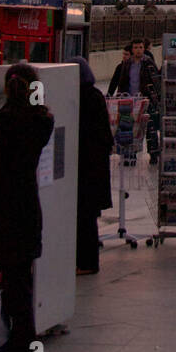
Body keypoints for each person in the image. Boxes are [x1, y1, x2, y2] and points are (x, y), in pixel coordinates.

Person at [0, 62, 54, 352]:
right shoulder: (41, 122)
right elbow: (37, 116)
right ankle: (25, 349)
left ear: (7, 88)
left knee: (14, 284)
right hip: (27, 210)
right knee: (22, 283)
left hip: (4, 213)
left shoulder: (1, 123)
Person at [72, 57, 113, 275]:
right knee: (87, 217)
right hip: (94, 169)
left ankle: (87, 263)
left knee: (84, 218)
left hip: (86, 170)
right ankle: (86, 261)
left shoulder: (84, 98)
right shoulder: (94, 95)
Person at [108, 38, 160, 163]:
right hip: (129, 101)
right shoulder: (127, 64)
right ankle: (129, 154)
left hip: (145, 100)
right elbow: (121, 82)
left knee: (150, 128)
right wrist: (120, 97)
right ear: (132, 49)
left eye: (141, 47)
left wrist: (155, 99)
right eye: (136, 48)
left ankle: (153, 154)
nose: (138, 50)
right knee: (128, 128)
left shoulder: (148, 63)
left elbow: (155, 82)